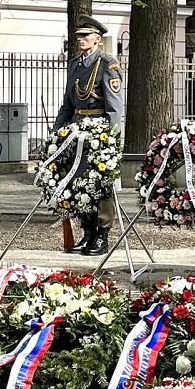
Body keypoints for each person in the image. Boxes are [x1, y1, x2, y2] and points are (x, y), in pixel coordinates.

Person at [53, 15, 126, 256]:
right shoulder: (75, 65)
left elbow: (114, 107)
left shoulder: (107, 65)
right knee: (79, 182)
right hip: (77, 131)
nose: (80, 39)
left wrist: (111, 139)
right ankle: (88, 232)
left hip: (98, 132)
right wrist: (56, 133)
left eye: (85, 35)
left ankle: (102, 234)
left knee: (100, 183)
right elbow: (68, 104)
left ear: (97, 39)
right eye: (78, 36)